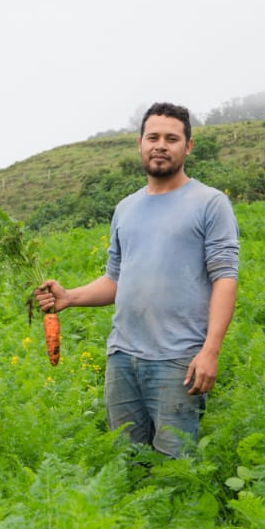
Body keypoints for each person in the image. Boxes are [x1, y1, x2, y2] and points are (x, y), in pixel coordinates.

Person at [35, 101, 240, 457]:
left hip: (178, 360)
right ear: (140, 143)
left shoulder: (210, 203)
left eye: (172, 138)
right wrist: (69, 297)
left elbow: (224, 278)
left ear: (188, 146)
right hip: (122, 359)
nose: (161, 145)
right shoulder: (125, 209)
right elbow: (116, 279)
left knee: (175, 472)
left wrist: (210, 351)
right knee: (127, 468)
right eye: (153, 137)